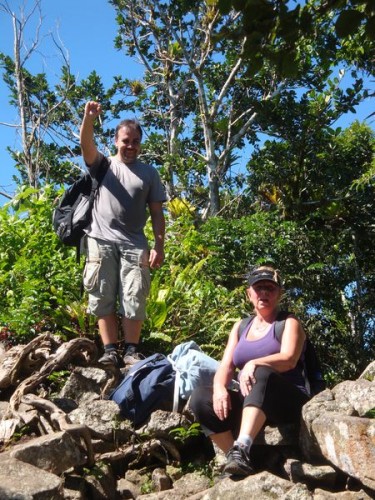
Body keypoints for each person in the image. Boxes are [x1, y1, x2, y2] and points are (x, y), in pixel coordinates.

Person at [189, 265, 310, 477]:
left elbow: (289, 359)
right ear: (249, 294)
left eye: (270, 288)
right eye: (258, 287)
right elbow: (226, 366)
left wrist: (254, 363)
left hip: (286, 400)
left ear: (279, 294)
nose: (264, 293)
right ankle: (236, 458)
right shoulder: (240, 327)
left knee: (261, 372)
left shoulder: (288, 322)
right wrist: (219, 389)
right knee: (200, 397)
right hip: (252, 401)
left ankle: (242, 447)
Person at [80, 101, 166, 367]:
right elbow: (86, 146)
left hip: (134, 243)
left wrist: (159, 246)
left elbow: (156, 213)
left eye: (136, 142)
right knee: (102, 294)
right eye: (126, 140)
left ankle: (131, 350)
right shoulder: (103, 165)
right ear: (116, 141)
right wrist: (89, 119)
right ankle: (109, 350)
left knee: (134, 295)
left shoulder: (149, 173)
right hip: (100, 239)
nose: (131, 146)